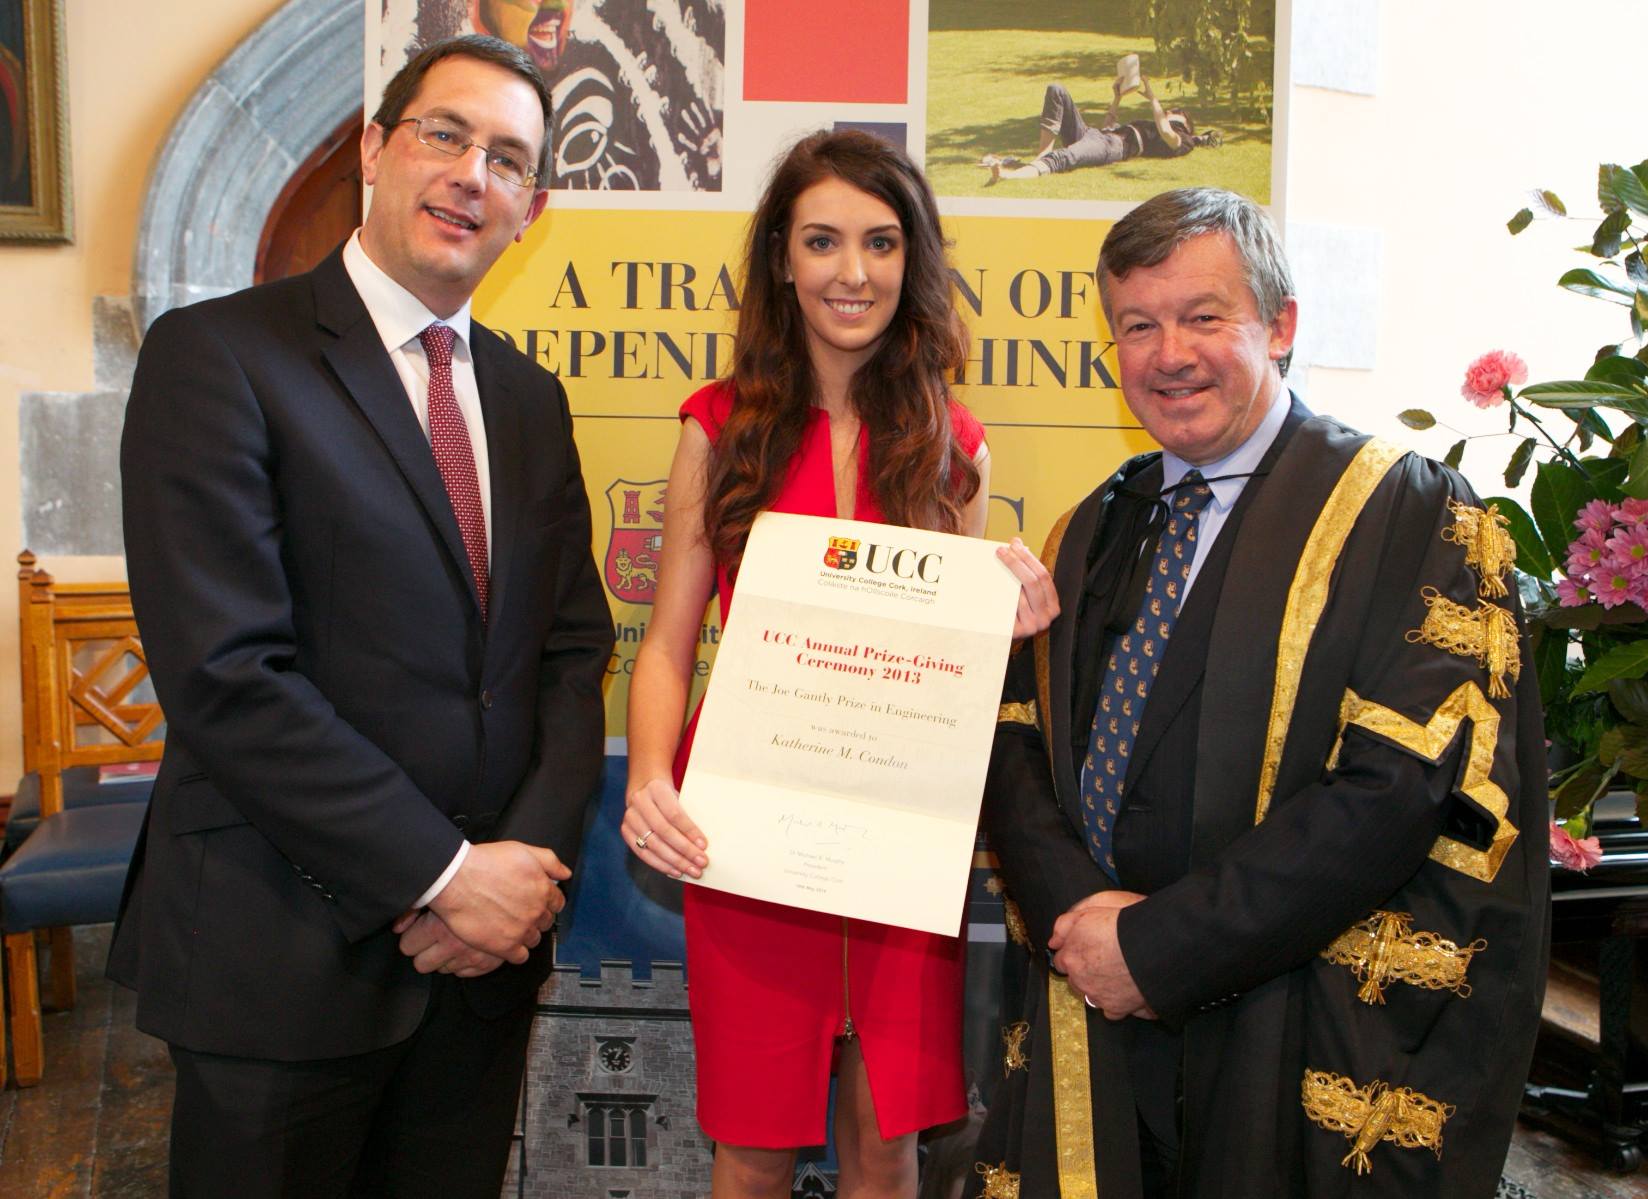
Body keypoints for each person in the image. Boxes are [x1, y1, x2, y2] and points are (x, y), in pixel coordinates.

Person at [967, 188, 1549, 1197]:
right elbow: (1018, 740)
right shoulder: (1092, 526)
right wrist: (1083, 924)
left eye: (1203, 316)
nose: (1169, 355)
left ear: (1280, 325)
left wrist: (1159, 948)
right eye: (1137, 326)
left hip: (1286, 1014)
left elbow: (1396, 790)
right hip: (1096, 1009)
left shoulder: (1403, 512)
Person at [111, 35, 614, 1198]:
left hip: (479, 972)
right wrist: (442, 874)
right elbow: (228, 675)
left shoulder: (530, 400)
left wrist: (519, 878)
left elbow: (568, 652)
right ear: (378, 150)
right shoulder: (219, 357)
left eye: (508, 159)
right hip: (281, 954)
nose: (472, 175)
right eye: (446, 134)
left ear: (531, 209)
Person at [619, 129, 1060, 1197]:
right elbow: (667, 641)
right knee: (753, 1146)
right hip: (750, 829)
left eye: (880, 241)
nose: (851, 271)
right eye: (822, 241)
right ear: (782, 258)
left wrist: (1012, 627)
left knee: (887, 1143)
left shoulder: (955, 443)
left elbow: (953, 669)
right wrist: (649, 779)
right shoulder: (719, 427)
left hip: (901, 836)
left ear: (915, 261)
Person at [980, 75, 1215, 185]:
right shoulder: (1154, 126)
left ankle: (1010, 175)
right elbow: (1108, 126)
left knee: (1064, 158)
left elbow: (1165, 132)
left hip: (1112, 147)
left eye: (1174, 111)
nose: (1168, 111)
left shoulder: (1182, 139)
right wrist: (1117, 98)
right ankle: (1041, 156)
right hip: (1096, 135)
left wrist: (1153, 98)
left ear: (1184, 123)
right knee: (1056, 89)